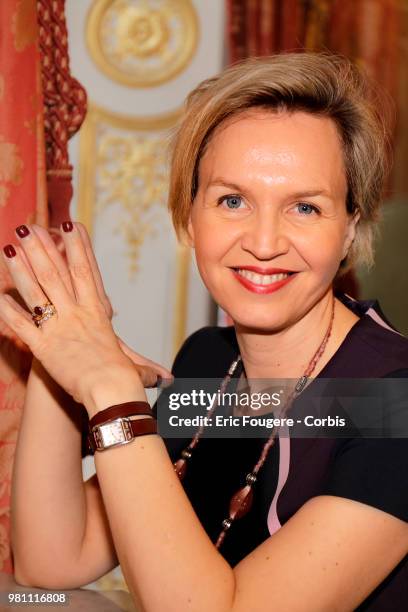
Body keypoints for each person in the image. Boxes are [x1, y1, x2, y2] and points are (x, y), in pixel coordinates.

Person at [1, 52, 407, 611]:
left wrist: (113, 396)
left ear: (350, 228)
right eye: (232, 200)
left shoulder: (394, 403)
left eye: (306, 208)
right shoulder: (211, 365)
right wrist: (64, 349)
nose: (264, 242)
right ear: (189, 216)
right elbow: (53, 561)